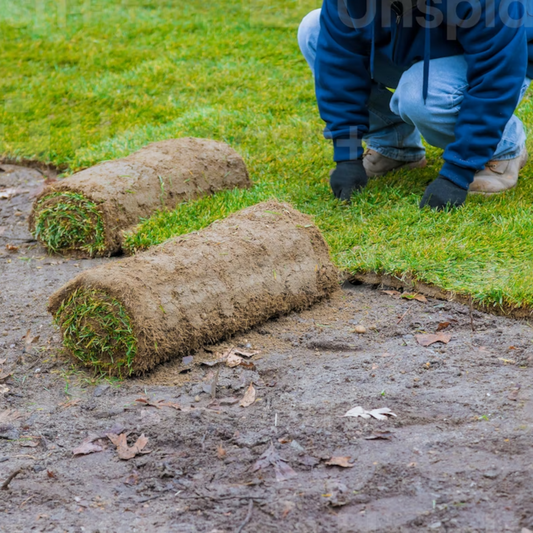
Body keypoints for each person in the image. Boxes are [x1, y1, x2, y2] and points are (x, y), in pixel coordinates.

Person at [298, 0, 533, 209]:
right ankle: (393, 147)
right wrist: (347, 155)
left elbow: (497, 75)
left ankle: (504, 147)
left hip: (508, 54)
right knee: (314, 31)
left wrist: (458, 172)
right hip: (418, 41)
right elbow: (339, 60)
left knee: (420, 95)